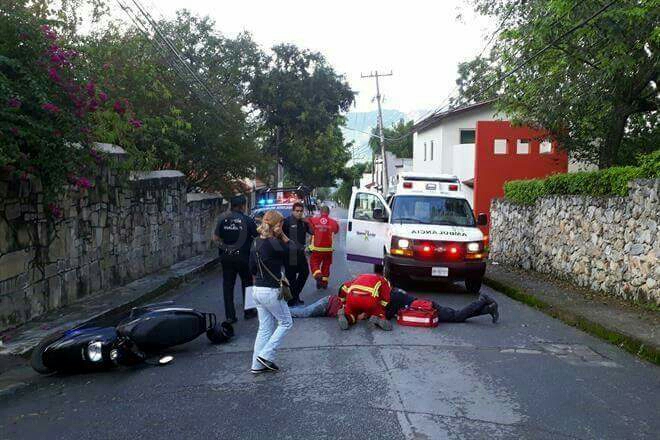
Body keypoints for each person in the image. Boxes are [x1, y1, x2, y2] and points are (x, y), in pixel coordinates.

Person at [248, 210, 296, 374]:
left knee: (265, 328)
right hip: (271, 290)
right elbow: (293, 251)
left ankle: (256, 365)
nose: (283, 226)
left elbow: (252, 268)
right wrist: (282, 235)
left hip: (256, 290)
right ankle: (266, 355)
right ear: (276, 225)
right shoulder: (274, 242)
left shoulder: (255, 242)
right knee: (286, 323)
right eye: (281, 224)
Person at [289, 286, 499, 324]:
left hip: (423, 307)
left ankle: (482, 302)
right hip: (421, 305)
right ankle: (487, 308)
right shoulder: (391, 296)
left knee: (456, 316)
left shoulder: (384, 302)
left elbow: (371, 313)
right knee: (456, 316)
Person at [213, 195, 258, 323]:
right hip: (243, 257)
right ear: (242, 206)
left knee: (228, 286)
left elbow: (216, 239)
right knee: (247, 283)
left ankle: (230, 316)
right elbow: (257, 235)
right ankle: (249, 311)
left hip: (226, 257)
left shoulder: (223, 219)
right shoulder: (247, 220)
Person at [282, 202, 312, 306]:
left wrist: (309, 221)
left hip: (300, 253)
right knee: (291, 277)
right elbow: (279, 235)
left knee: (305, 273)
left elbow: (312, 232)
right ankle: (291, 300)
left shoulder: (303, 223)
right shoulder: (286, 222)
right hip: (290, 254)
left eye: (301, 211)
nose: (299, 213)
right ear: (293, 211)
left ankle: (295, 295)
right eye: (297, 211)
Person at [308, 205, 339, 289]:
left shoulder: (314, 220)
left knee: (314, 263)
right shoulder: (333, 222)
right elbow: (336, 231)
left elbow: (308, 224)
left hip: (316, 248)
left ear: (320, 212)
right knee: (326, 265)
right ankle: (324, 283)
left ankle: (318, 275)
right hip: (328, 249)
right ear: (328, 213)